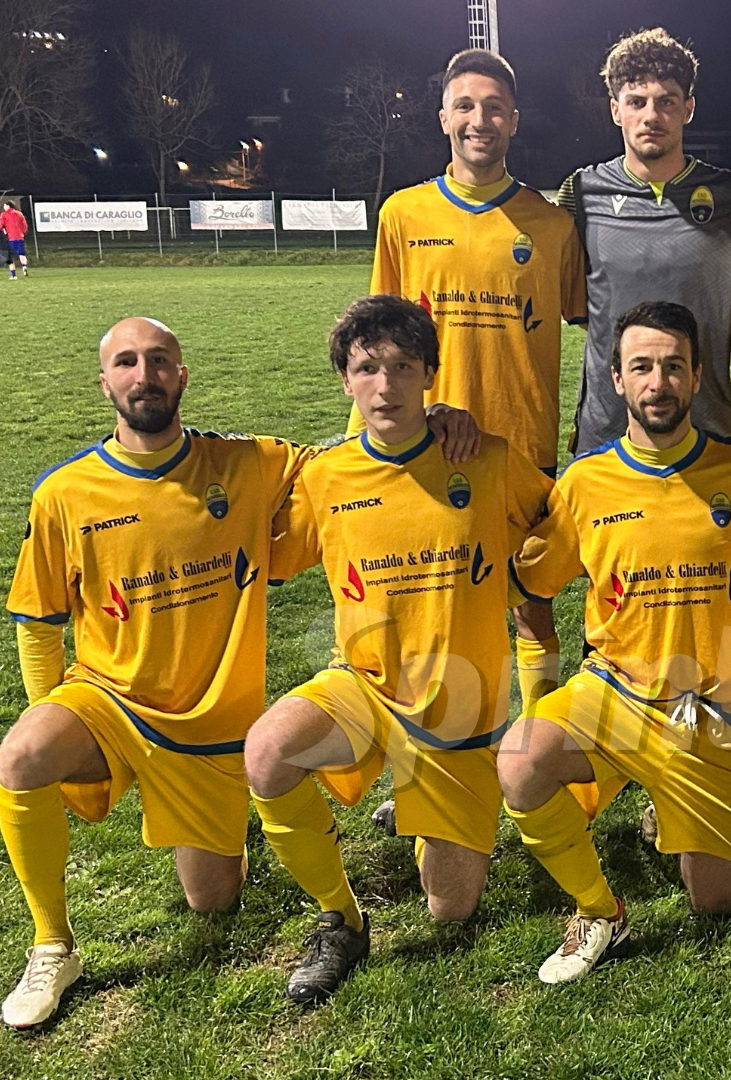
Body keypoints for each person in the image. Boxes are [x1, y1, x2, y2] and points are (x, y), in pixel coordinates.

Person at [0, 317, 477, 1028]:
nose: (144, 374)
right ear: (105, 383)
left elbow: (357, 457)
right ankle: (51, 945)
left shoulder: (248, 463)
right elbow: (38, 621)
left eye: (159, 359)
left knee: (212, 900)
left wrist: (434, 420)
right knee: (23, 755)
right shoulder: (65, 492)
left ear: (181, 376)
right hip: (108, 702)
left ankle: (231, 836)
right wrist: (45, 709)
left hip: (213, 729)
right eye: (126, 362)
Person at [500, 301, 731, 984]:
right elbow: (529, 581)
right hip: (615, 694)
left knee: (718, 904)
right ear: (616, 378)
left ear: (697, 376)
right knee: (521, 761)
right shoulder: (585, 484)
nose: (658, 382)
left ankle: (674, 801)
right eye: (641, 366)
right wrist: (538, 683)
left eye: (674, 366)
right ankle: (599, 910)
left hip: (710, 712)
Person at [245, 295, 545, 1004]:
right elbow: (268, 556)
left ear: (430, 376)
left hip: (457, 708)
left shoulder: (487, 459)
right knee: (268, 751)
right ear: (346, 382)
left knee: (450, 911)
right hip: (364, 686)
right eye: (368, 368)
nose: (386, 385)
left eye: (404, 367)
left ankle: (422, 797)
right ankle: (341, 919)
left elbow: (561, 522)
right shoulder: (325, 477)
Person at [363, 46, 586, 741]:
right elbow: (381, 339)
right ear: (443, 118)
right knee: (425, 602)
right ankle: (433, 743)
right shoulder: (403, 214)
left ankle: (538, 745)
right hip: (427, 442)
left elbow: (594, 320)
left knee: (531, 605)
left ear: (514, 119)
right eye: (465, 105)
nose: (479, 119)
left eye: (494, 107)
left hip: (520, 443)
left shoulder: (551, 224)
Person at [559, 28, 731, 453]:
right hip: (607, 432)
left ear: (688, 108)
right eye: (636, 102)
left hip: (707, 428)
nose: (651, 116)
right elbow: (570, 303)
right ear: (615, 110)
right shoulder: (582, 194)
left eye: (666, 101)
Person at [0, 201, 30, 278]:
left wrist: (1, 226)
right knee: (21, 254)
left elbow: (1, 226)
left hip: (11, 237)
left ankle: (13, 275)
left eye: (5, 206)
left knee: (10, 256)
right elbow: (24, 225)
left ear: (8, 206)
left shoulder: (4, 214)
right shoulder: (19, 214)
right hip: (20, 237)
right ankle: (24, 266)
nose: (4, 207)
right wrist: (23, 233)